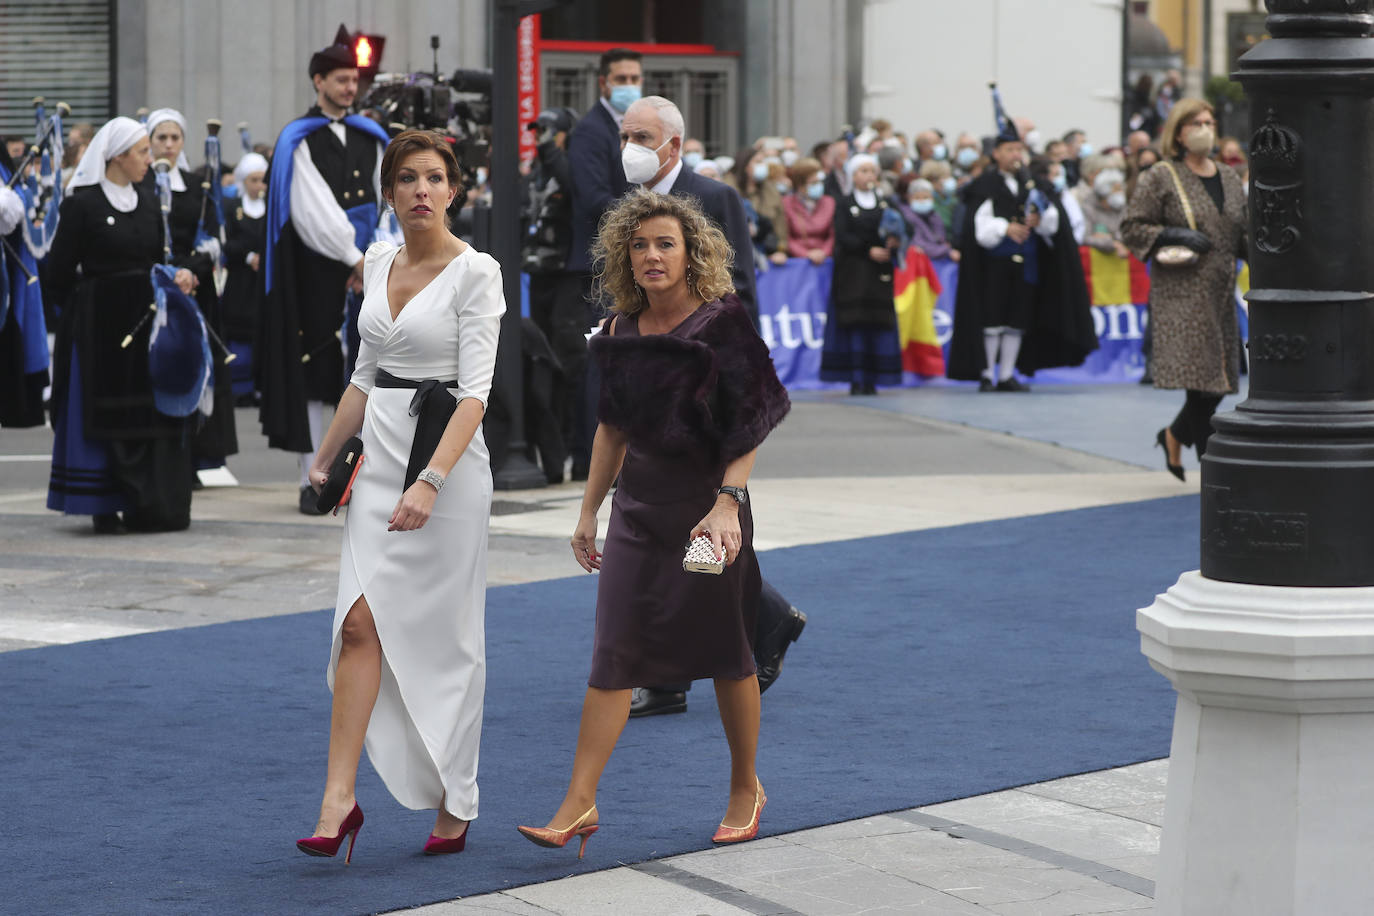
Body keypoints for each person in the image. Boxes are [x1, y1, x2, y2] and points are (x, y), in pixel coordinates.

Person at [516, 189, 789, 856]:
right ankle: (579, 803)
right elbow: (612, 428)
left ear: (692, 253)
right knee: (614, 653)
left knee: (728, 653)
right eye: (639, 246)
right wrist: (587, 510)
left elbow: (750, 423)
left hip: (707, 515)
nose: (651, 256)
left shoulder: (723, 325)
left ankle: (744, 788)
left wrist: (728, 503)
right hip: (637, 514)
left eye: (665, 243)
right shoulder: (618, 332)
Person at [296, 130, 504, 862]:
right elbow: (362, 374)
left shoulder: (478, 272)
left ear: (454, 191)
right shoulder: (378, 260)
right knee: (357, 625)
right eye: (407, 178)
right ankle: (337, 801)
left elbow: (475, 395)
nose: (421, 189)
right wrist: (323, 463)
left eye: (434, 178)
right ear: (389, 191)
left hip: (444, 466)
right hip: (377, 458)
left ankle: (457, 795)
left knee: (445, 640)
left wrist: (431, 481)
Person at [612, 95, 804, 718]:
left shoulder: (714, 197)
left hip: (705, 382)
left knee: (697, 528)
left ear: (672, 143)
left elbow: (737, 287)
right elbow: (627, 282)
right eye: (624, 134)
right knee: (670, 534)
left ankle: (750, 629)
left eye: (639, 134)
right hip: (648, 383)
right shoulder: (626, 204)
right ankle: (679, 670)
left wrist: (720, 360)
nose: (629, 145)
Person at [259, 29, 390, 515]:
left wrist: (374, 258)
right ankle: (313, 476)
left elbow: (385, 202)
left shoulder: (371, 136)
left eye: (353, 80)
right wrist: (352, 258)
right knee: (318, 371)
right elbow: (311, 210)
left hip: (370, 267)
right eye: (339, 79)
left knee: (366, 369)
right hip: (318, 271)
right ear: (318, 81)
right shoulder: (298, 139)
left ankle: (356, 470)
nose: (349, 88)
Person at [45, 118, 198, 533]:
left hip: (143, 323)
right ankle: (102, 502)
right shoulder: (82, 203)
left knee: (141, 414)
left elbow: (156, 258)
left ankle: (143, 501)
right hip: (97, 325)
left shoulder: (150, 200)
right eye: (143, 152)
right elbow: (57, 272)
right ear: (117, 157)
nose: (152, 159)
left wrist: (178, 275)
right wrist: (83, 306)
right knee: (99, 413)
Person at [1121, 99, 1247, 479]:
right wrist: (1171, 233)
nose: (1206, 128)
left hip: (1220, 288)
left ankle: (1174, 436)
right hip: (1181, 291)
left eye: (1210, 121)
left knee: (1219, 382)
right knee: (1201, 380)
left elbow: (1240, 232)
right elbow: (1132, 227)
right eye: (1197, 122)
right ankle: (1213, 469)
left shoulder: (1227, 176)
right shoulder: (1161, 175)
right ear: (1179, 132)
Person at [947, 88, 1097, 392]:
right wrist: (1005, 228)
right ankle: (987, 372)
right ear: (996, 154)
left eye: (1019, 150)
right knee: (992, 319)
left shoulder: (1033, 184)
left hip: (1026, 263)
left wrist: (1040, 222)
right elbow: (980, 226)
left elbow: (1054, 222)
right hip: (993, 265)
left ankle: (1007, 374)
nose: (1016, 156)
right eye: (1010, 151)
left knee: (1017, 319)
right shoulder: (985, 185)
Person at [556, 47, 642, 481]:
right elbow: (593, 199)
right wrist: (647, 212)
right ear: (604, 82)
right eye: (622, 78)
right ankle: (594, 462)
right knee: (602, 358)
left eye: (635, 77)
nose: (630, 85)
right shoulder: (592, 131)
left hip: (623, 261)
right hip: (599, 264)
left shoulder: (630, 127)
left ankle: (618, 458)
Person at [142, 108, 239, 479]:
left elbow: (215, 239)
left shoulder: (198, 187)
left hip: (194, 290)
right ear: (149, 142)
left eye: (174, 138)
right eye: (160, 138)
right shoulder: (141, 184)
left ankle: (195, 458)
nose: (168, 145)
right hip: (157, 293)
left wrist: (191, 271)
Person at [819, 153, 903, 396]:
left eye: (872, 171)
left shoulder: (887, 202)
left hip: (880, 273)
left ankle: (874, 378)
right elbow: (843, 235)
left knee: (877, 322)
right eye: (863, 171)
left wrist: (895, 241)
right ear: (853, 176)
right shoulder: (844, 203)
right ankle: (856, 378)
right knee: (854, 322)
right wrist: (868, 249)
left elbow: (903, 228)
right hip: (853, 273)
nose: (869, 176)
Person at [221, 152, 268, 403]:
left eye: (262, 180)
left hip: (262, 281)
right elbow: (226, 242)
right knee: (239, 332)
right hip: (241, 281)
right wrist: (248, 256)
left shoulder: (270, 208)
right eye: (254, 180)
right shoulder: (233, 208)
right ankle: (239, 387)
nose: (259, 186)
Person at [724, 146, 789, 266]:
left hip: (766, 251)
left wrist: (780, 250)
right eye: (758, 162)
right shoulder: (728, 188)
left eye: (763, 162)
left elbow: (780, 223)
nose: (763, 166)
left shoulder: (771, 189)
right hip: (734, 255)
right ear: (745, 166)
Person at [781, 157, 835, 265]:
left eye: (820, 182)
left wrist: (824, 252)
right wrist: (806, 254)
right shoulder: (786, 203)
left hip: (825, 261)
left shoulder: (829, 202)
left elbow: (833, 235)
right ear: (800, 185)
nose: (819, 186)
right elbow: (785, 236)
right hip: (797, 262)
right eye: (814, 183)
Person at [897, 177, 952, 260]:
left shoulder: (934, 215)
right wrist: (946, 249)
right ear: (909, 198)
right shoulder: (906, 217)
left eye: (925, 197)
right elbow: (919, 245)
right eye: (917, 198)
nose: (922, 201)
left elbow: (941, 238)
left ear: (932, 198)